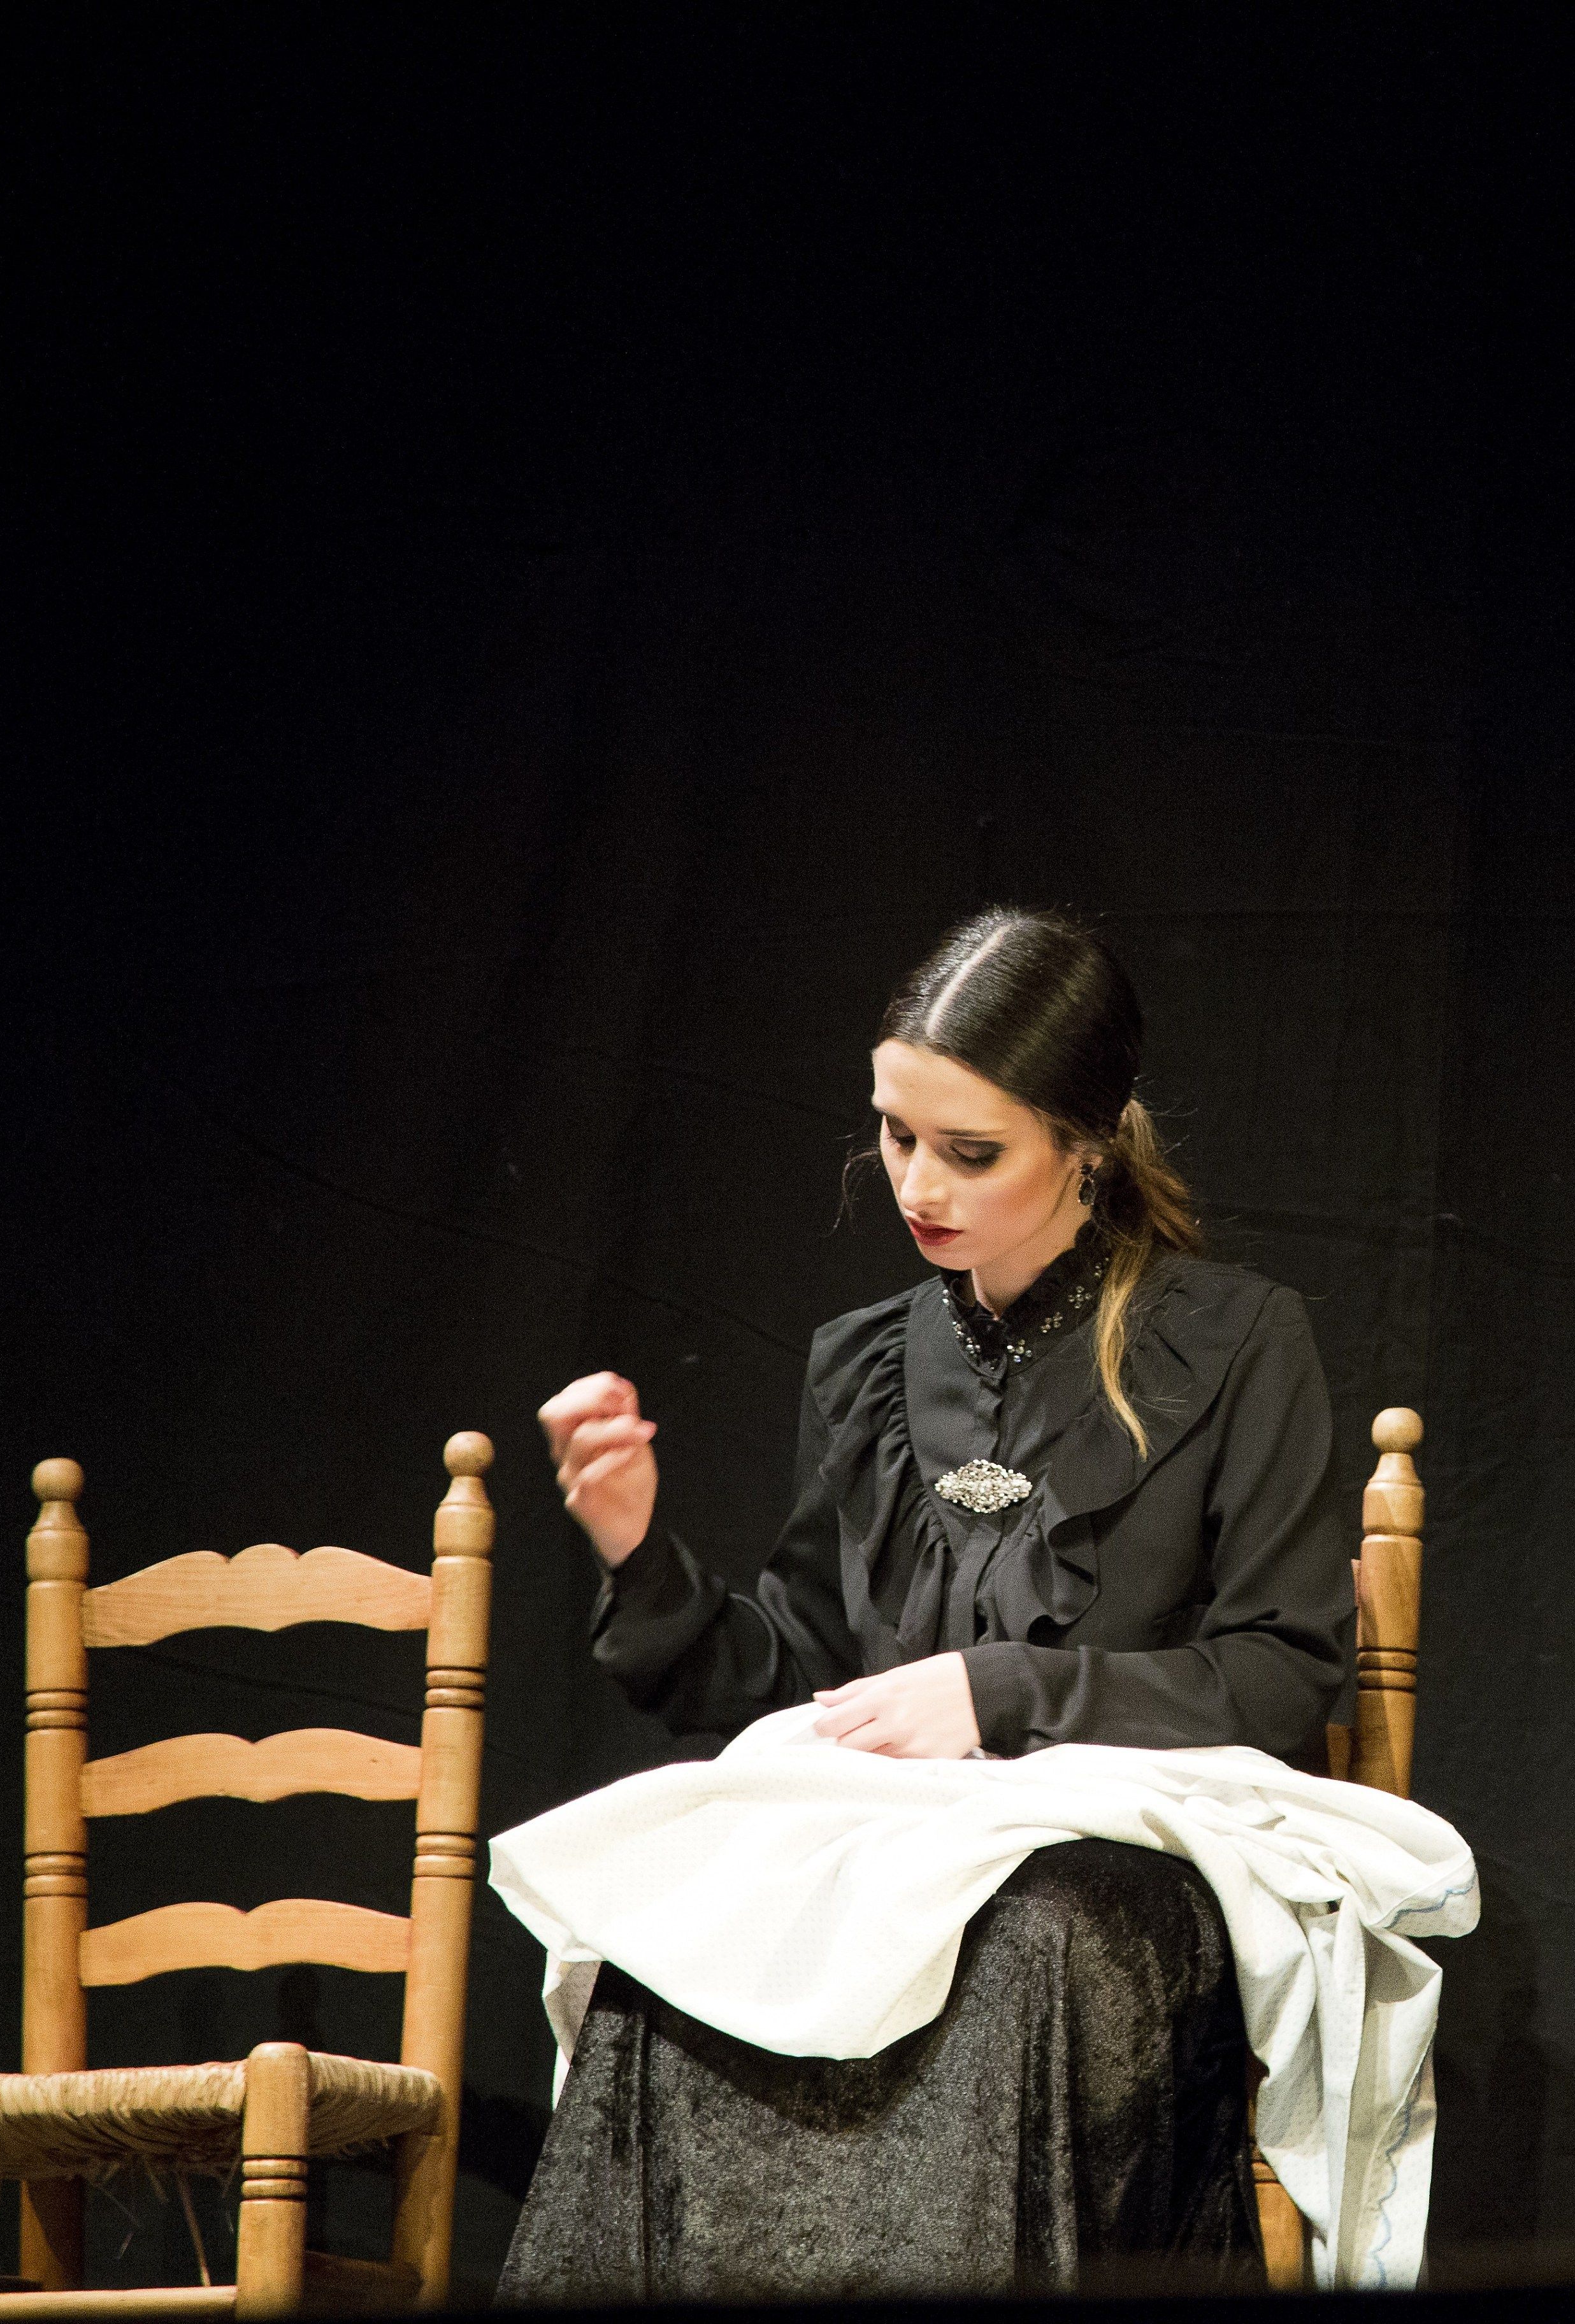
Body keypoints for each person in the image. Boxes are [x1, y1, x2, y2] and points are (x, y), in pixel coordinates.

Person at [496, 907, 1358, 2300]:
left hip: (1122, 1877)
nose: (919, 1185)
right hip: (891, 1859)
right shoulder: (862, 1366)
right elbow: (804, 1685)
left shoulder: (1239, 1343)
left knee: (1022, 1942)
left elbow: (1279, 1672)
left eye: (971, 1152)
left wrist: (998, 1696)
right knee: (670, 1966)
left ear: (1086, 1142)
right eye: (897, 1134)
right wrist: (639, 1552)